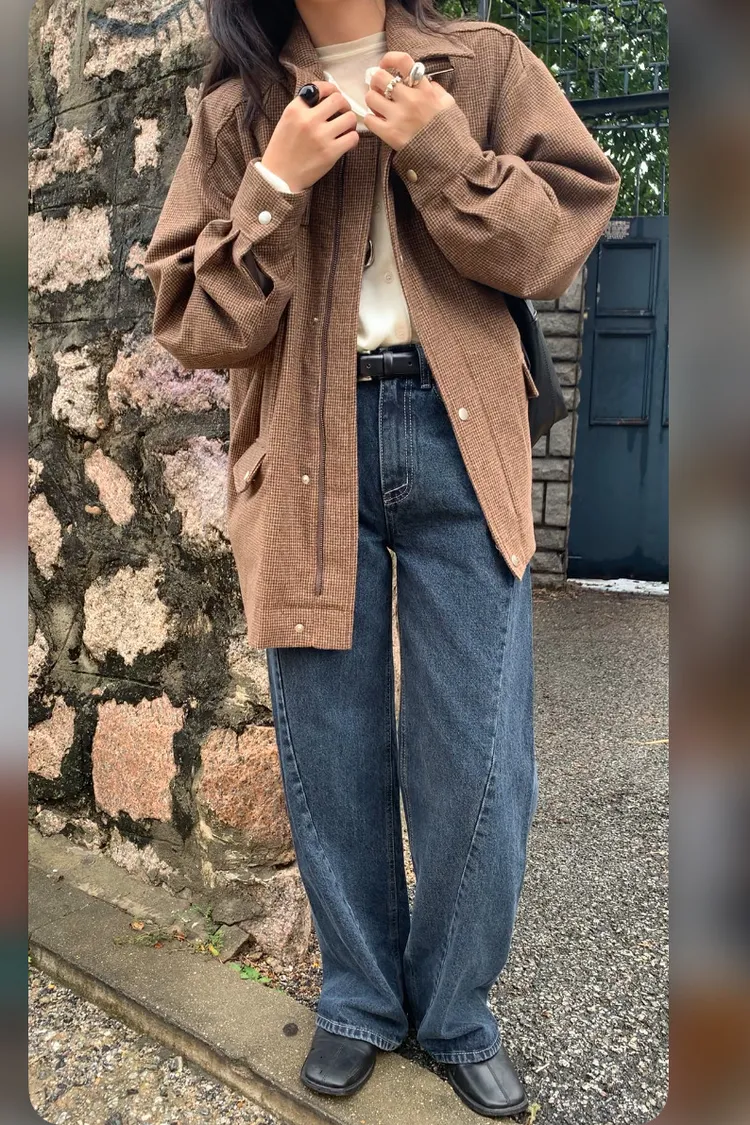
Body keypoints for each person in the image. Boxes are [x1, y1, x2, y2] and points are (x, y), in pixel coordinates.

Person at [143, 0, 620, 1116]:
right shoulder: (238, 108)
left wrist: (445, 149)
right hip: (307, 445)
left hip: (462, 432)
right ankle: (358, 998)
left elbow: (555, 244)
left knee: (478, 757)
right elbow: (195, 325)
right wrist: (275, 182)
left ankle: (454, 1013)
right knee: (331, 747)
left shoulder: (485, 64)